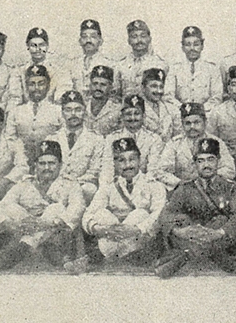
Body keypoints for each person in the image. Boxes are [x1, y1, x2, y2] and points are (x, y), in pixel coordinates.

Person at [0, 139, 85, 272]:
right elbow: (2, 206)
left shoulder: (70, 184)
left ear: (60, 165)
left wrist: (46, 223)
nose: (46, 168)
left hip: (57, 234)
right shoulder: (25, 183)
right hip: (26, 228)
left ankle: (6, 258)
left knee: (56, 208)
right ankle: (59, 260)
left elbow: (76, 209)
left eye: (51, 163)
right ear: (35, 165)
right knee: (6, 207)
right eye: (42, 163)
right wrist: (19, 226)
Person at [155, 138, 236, 277]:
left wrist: (219, 233)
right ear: (195, 164)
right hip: (193, 235)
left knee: (221, 220)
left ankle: (184, 257)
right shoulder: (185, 188)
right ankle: (221, 258)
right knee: (182, 219)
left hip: (221, 237)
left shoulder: (230, 188)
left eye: (210, 159)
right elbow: (166, 214)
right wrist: (181, 232)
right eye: (201, 161)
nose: (206, 165)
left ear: (218, 160)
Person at [76, 137, 167, 273]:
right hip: (111, 238)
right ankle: (117, 258)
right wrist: (100, 229)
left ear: (139, 160)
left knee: (140, 214)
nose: (127, 165)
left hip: (139, 241)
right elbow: (88, 214)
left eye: (132, 159)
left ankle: (100, 259)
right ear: (115, 163)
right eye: (121, 160)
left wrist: (137, 229)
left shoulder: (153, 185)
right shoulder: (109, 186)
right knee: (102, 214)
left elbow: (158, 215)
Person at [157, 103, 236, 191]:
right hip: (183, 190)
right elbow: (161, 171)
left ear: (205, 122)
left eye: (196, 122)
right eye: (188, 123)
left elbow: (229, 169)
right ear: (182, 124)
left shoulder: (216, 142)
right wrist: (180, 183)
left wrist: (207, 179)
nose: (192, 127)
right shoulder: (174, 144)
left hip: (211, 189)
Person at [51, 89, 104, 204]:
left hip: (83, 185)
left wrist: (74, 183)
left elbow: (95, 171)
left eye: (78, 110)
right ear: (62, 113)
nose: (73, 114)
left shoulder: (96, 139)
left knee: (89, 189)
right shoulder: (52, 139)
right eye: (68, 110)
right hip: (58, 184)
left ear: (84, 112)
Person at [101, 94, 166, 186]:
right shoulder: (111, 138)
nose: (132, 118)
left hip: (144, 185)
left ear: (143, 116)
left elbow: (153, 169)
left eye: (137, 113)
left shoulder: (153, 139)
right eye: (128, 114)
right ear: (122, 116)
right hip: (118, 186)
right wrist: (108, 187)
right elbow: (107, 167)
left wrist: (138, 187)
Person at [4, 64, 64, 165]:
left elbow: (63, 140)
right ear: (26, 86)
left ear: (48, 85)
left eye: (41, 84)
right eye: (32, 84)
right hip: (21, 163)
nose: (36, 88)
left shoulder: (58, 111)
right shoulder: (15, 111)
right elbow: (10, 139)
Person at [11, 27, 72, 105]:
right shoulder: (19, 71)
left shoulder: (59, 71)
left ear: (47, 46)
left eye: (42, 45)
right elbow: (15, 98)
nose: (38, 49)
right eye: (33, 45)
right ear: (27, 47)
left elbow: (60, 98)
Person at [171, 25, 224, 112]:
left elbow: (217, 97)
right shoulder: (174, 69)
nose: (192, 48)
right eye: (188, 45)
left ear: (202, 46)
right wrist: (183, 108)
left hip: (206, 114)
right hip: (181, 115)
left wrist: (200, 110)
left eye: (196, 44)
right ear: (182, 47)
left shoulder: (212, 69)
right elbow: (168, 97)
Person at [119, 20, 169, 99]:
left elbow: (165, 95)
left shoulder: (160, 64)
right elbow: (115, 96)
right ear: (128, 40)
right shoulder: (120, 65)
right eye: (134, 37)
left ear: (149, 39)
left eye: (143, 36)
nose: (139, 41)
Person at [76, 19, 119, 98]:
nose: (88, 40)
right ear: (80, 41)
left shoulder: (110, 65)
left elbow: (114, 92)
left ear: (100, 41)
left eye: (93, 37)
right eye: (84, 37)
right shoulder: (72, 65)